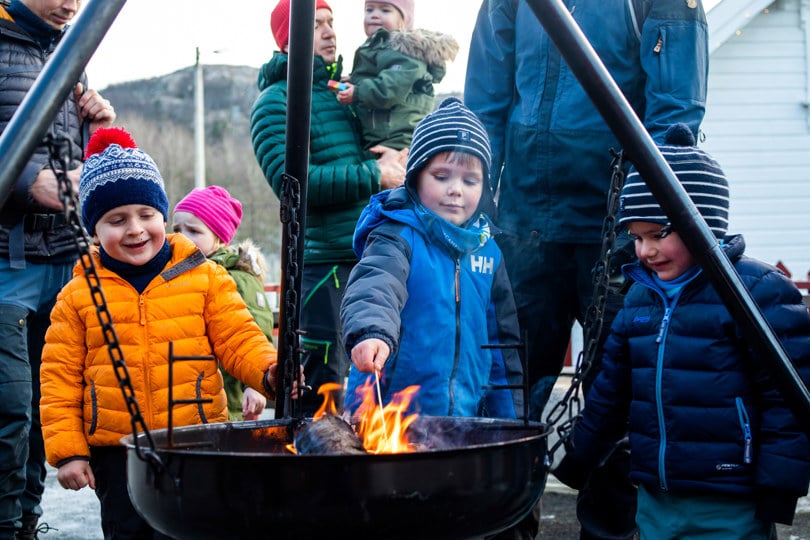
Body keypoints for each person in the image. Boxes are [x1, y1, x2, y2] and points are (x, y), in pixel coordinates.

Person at [465, 1, 709, 537]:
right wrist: (479, 208)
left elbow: (674, 116)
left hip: (619, 228)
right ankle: (506, 525)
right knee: (508, 394)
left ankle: (609, 533)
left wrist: (647, 217)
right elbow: (486, 101)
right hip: (525, 222)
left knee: (618, 398)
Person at [553, 122, 810, 538]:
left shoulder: (756, 293)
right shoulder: (639, 300)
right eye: (636, 238)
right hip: (656, 496)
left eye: (658, 234)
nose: (645, 250)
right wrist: (579, 459)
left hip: (731, 499)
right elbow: (611, 394)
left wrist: (779, 488)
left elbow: (786, 401)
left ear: (700, 223)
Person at [39, 127, 287, 540]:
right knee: (129, 531)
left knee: (197, 529)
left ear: (162, 215)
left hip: (197, 440)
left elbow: (238, 336)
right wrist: (68, 452)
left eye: (147, 214)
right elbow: (59, 380)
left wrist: (269, 371)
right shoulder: (78, 296)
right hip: (118, 451)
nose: (135, 229)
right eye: (116, 220)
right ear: (93, 231)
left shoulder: (204, 277)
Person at [251, 0, 406, 417]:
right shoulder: (274, 102)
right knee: (326, 395)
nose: (329, 31)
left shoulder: (345, 95)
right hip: (324, 271)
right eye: (316, 24)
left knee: (375, 390)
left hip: (372, 256)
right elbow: (294, 185)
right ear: (288, 41)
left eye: (331, 22)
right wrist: (375, 175)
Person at [0, 0, 116, 537]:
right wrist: (29, 182)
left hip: (63, 259)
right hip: (6, 261)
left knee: (51, 407)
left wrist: (99, 129)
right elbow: (39, 170)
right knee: (10, 411)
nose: (72, 5)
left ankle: (27, 520)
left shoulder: (68, 51)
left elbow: (76, 163)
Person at [341, 97, 523, 418]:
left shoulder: (489, 252)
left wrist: (509, 421)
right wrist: (371, 332)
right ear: (415, 178)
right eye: (442, 176)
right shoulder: (397, 236)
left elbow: (502, 345)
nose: (456, 189)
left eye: (470, 181)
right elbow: (375, 287)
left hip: (465, 423)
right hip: (389, 418)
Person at [173, 185, 274, 421]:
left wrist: (256, 385)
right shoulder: (178, 272)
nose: (182, 237)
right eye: (177, 229)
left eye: (194, 231)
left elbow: (257, 330)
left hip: (228, 396)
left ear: (218, 238)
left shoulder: (237, 277)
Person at [335, 0, 459, 152]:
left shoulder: (406, 52)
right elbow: (379, 76)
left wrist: (358, 92)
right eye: (369, 10)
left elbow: (391, 88)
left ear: (403, 21)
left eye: (385, 10)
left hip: (399, 139)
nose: (374, 15)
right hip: (380, 136)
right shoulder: (378, 48)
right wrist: (354, 80)